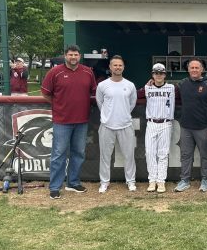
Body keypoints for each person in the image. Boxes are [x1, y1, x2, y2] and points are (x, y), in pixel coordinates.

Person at [41, 45, 97, 199]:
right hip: (62, 120)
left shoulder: (87, 72)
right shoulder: (55, 72)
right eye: (71, 54)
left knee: (78, 153)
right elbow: (46, 93)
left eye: (76, 55)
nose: (73, 57)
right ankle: (55, 187)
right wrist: (58, 104)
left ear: (80, 56)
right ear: (65, 56)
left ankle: (73, 182)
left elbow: (94, 91)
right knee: (58, 154)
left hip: (82, 120)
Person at [174, 59, 207, 192]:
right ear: (188, 69)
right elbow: (168, 91)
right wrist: (152, 83)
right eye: (191, 67)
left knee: (205, 155)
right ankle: (185, 180)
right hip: (186, 126)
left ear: (202, 70)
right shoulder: (181, 84)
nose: (194, 70)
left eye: (197, 68)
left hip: (203, 127)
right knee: (186, 155)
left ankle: (205, 180)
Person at [95, 55, 137, 193]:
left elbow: (132, 104)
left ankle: (131, 181)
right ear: (110, 67)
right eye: (115, 65)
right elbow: (100, 103)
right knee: (105, 156)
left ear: (123, 67)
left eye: (120, 65)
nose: (117, 67)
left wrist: (122, 115)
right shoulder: (102, 85)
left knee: (129, 155)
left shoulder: (130, 85)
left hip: (125, 125)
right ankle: (104, 182)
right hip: (107, 125)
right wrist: (109, 116)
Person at [143, 63, 177, 194]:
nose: (158, 75)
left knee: (163, 153)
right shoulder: (147, 87)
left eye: (161, 73)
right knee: (150, 153)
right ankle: (152, 180)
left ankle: (161, 181)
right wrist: (146, 85)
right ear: (152, 75)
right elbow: (138, 95)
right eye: (156, 73)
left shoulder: (171, 87)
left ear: (165, 75)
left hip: (165, 122)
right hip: (151, 122)